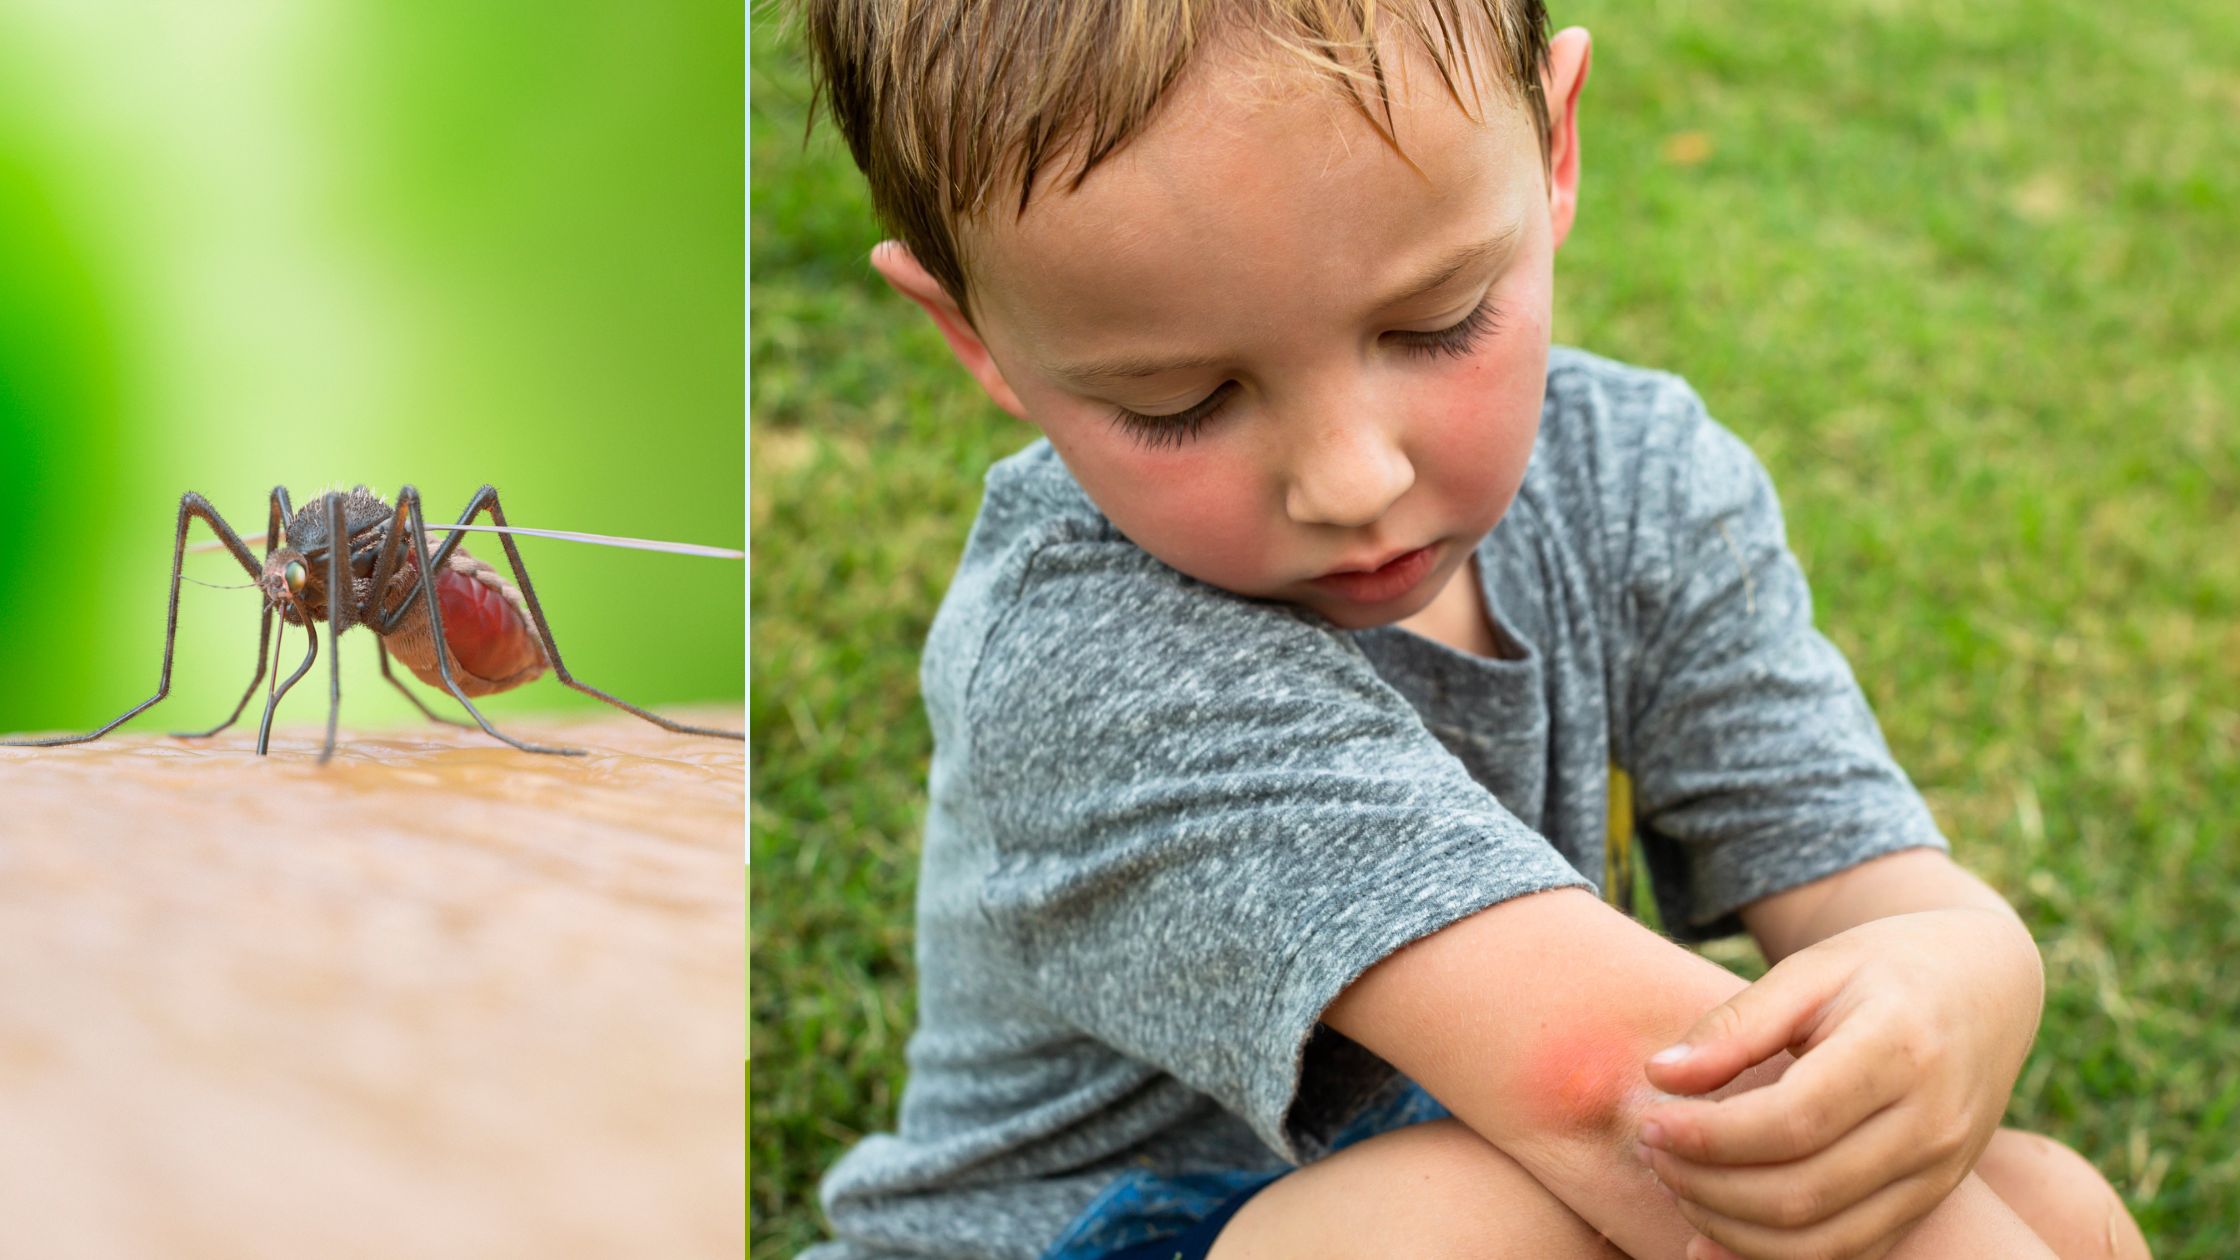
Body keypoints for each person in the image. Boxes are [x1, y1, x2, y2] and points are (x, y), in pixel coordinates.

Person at [790, 2, 2151, 1257]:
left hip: (1461, 1177)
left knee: (2058, 1209)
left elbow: (1870, 880)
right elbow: (1623, 1105)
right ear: (975, 333)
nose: (1352, 480)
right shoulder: (1084, 658)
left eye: (1436, 322)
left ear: (1554, 147)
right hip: (1108, 1236)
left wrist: (1970, 965)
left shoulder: (1639, 480)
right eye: (1180, 400)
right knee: (1463, 1223)